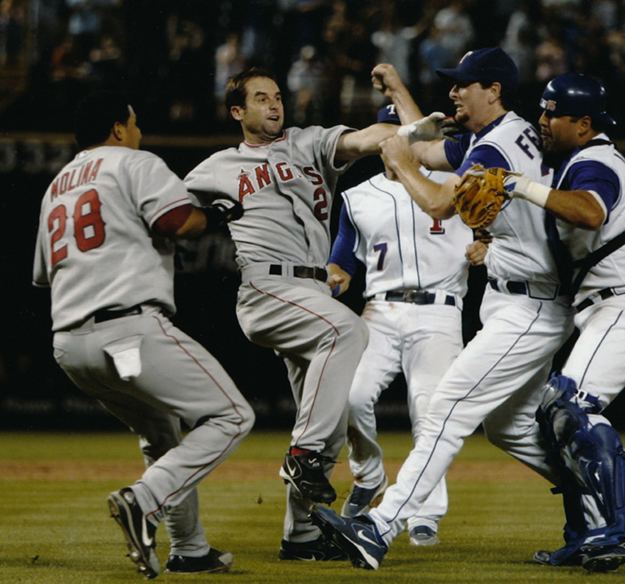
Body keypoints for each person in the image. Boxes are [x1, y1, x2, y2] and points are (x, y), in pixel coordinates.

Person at [311, 47, 575, 567]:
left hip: (531, 302)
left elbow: (434, 198)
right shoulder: (494, 136)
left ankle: (378, 525)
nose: (453, 92)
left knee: (445, 408)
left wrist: (401, 159)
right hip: (513, 297)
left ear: (494, 89)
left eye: (464, 84)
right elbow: (430, 153)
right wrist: (399, 101)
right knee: (510, 429)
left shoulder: (495, 148)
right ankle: (605, 498)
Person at [183, 67, 406, 561]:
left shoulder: (308, 143)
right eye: (261, 98)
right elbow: (169, 215)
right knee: (348, 332)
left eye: (278, 96)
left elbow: (370, 138)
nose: (274, 105)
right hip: (266, 287)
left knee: (328, 413)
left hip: (313, 292)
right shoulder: (216, 167)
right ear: (238, 110)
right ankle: (302, 456)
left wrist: (415, 126)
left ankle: (300, 535)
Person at [32, 91, 255, 579]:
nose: (138, 132)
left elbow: (46, 273)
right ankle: (143, 500)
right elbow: (175, 220)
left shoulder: (57, 186)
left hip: (70, 343)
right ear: (116, 128)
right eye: (133, 123)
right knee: (232, 415)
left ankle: (189, 550)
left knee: (160, 433)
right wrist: (215, 214)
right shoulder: (132, 162)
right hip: (127, 332)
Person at [501, 72, 625, 570]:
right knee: (554, 416)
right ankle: (589, 531)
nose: (543, 120)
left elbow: (591, 213)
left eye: (552, 113)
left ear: (583, 123)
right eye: (542, 110)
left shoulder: (595, 160)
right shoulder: (576, 162)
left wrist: (522, 186)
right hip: (609, 305)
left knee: (572, 407)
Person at [327, 104, 489, 546]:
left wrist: (485, 247)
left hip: (439, 312)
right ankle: (368, 475)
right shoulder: (357, 197)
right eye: (398, 134)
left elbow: (498, 231)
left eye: (415, 134)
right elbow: (341, 262)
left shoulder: (454, 185)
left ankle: (425, 513)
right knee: (350, 395)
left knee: (430, 411)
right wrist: (330, 281)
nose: (406, 141)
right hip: (378, 312)